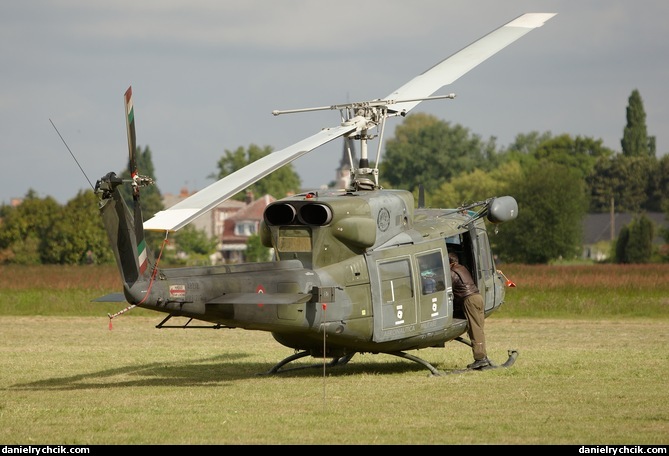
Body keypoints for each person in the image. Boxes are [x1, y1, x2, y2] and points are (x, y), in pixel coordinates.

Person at [448, 252, 490, 369]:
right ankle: (483, 357)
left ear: (450, 263)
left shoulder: (452, 272)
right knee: (479, 329)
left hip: (469, 300)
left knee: (475, 330)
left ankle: (480, 358)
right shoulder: (462, 268)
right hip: (478, 297)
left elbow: (445, 287)